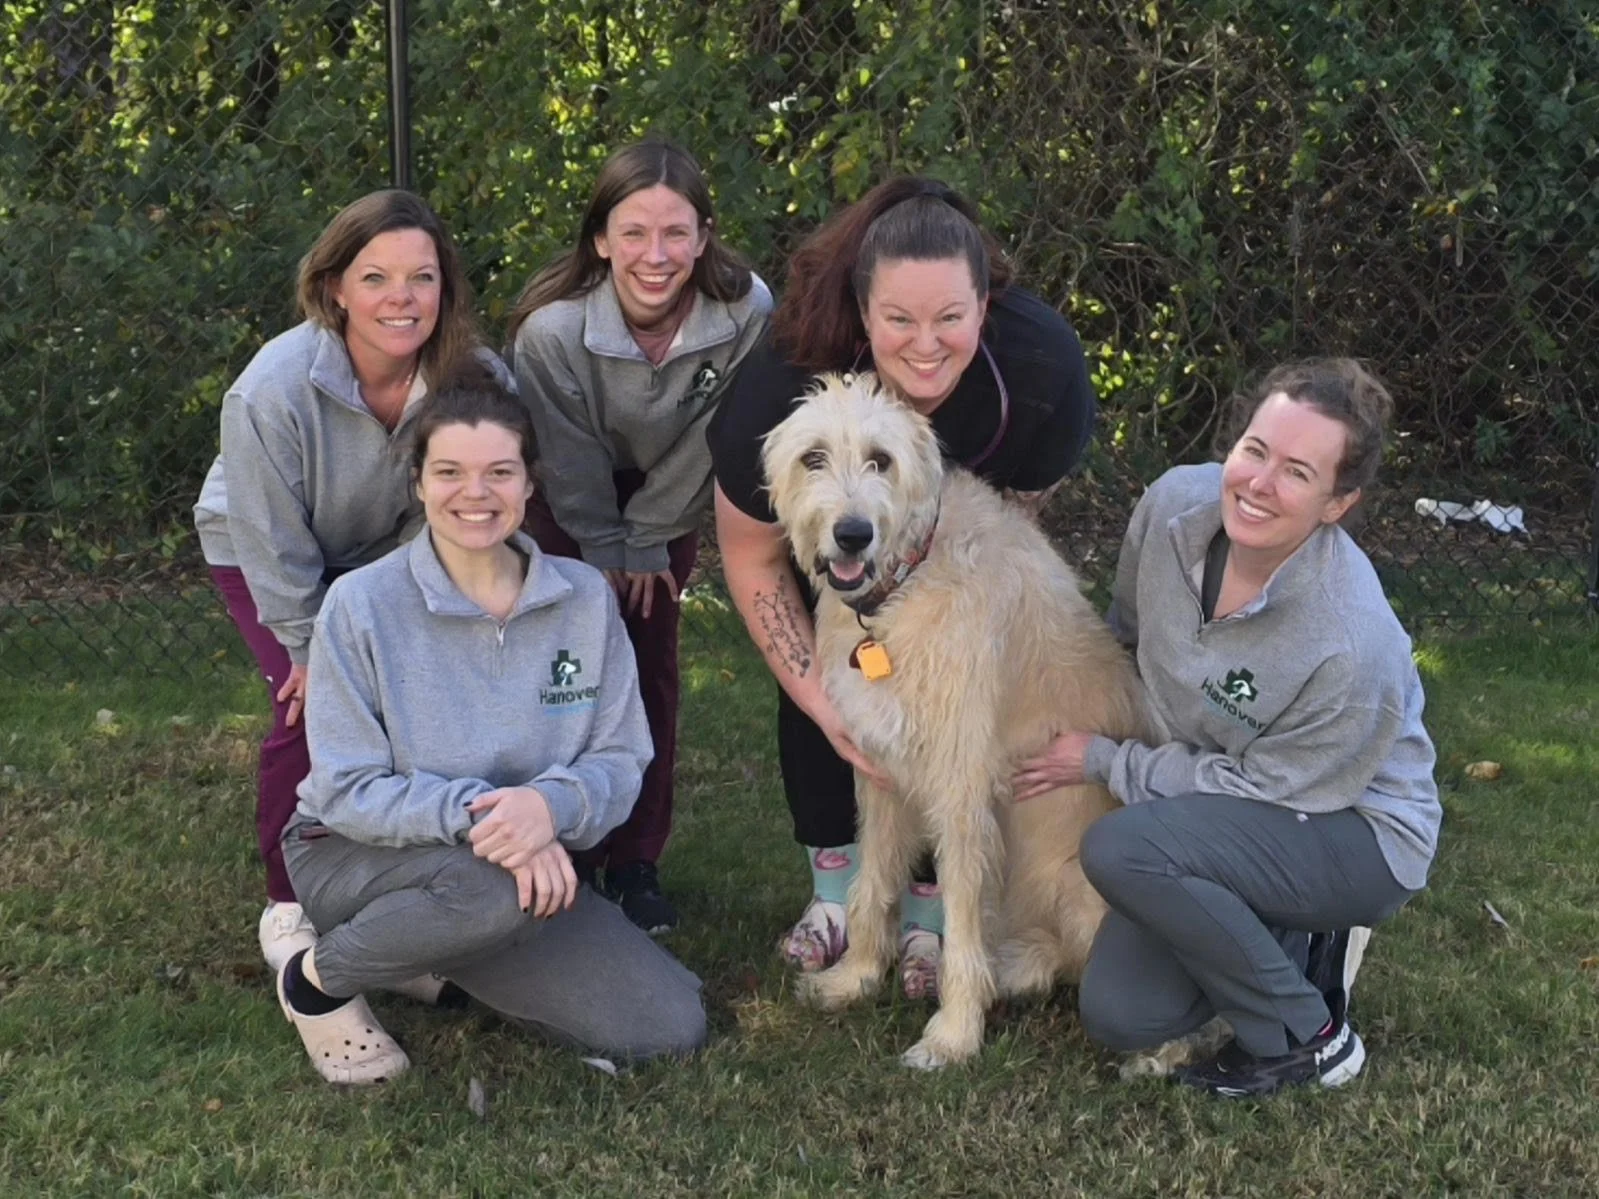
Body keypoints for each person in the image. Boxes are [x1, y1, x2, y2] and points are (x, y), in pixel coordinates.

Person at [707, 176, 1097, 995]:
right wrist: (825, 698)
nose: (925, 343)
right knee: (838, 669)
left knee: (946, 719)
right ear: (861, 310)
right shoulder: (787, 379)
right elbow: (749, 556)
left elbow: (1014, 520)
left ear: (984, 309)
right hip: (852, 561)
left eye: (949, 318)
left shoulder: (1037, 367)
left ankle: (937, 920)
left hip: (954, 548)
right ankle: (840, 904)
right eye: (899, 320)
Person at [1012, 358, 1441, 1098]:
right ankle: (1289, 930)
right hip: (1220, 806)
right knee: (1124, 1011)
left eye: (1297, 472)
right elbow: (1125, 638)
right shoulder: (1173, 506)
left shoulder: (1350, 641)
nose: (1258, 483)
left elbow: (1271, 791)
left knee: (1121, 847)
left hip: (1348, 827)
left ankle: (1309, 1038)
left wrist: (1108, 761)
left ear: (1336, 503)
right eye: (1254, 450)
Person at [275, 369, 707, 1085]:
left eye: (498, 472)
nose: (474, 494)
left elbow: (621, 757)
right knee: (492, 895)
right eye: (449, 471)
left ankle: (423, 951)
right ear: (417, 481)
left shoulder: (582, 599)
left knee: (668, 1025)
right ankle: (316, 976)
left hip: (520, 854)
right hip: (356, 851)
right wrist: (495, 820)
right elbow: (348, 789)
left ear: (529, 483)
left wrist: (551, 807)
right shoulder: (360, 604)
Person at [194, 190, 511, 973]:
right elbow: (269, 531)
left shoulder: (473, 376)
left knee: (412, 698)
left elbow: (459, 502)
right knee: (311, 705)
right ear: (334, 286)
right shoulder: (272, 386)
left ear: (447, 287)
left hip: (386, 551)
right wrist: (308, 644)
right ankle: (289, 902)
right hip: (260, 548)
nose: (401, 299)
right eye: (375, 278)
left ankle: (393, 882)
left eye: (422, 278)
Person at [508, 139, 772, 933]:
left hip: (671, 499)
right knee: (564, 672)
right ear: (599, 239)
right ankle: (562, 849)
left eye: (675, 233)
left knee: (648, 667)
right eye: (633, 233)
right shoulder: (552, 332)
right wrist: (600, 553)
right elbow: (567, 454)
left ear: (704, 235)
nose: (655, 256)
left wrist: (651, 539)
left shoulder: (744, 312)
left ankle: (635, 861)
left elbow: (718, 435)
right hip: (565, 503)